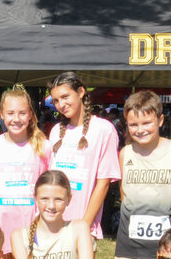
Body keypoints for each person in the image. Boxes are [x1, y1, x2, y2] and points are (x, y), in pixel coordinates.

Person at [112, 91, 171, 259]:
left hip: (167, 244)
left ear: (160, 120)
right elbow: (124, 194)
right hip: (130, 244)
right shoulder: (125, 154)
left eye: (147, 123)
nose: (140, 129)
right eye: (134, 124)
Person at [48, 71, 121, 240]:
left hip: (83, 226)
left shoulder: (104, 129)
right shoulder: (55, 131)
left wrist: (84, 225)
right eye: (56, 101)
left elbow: (103, 184)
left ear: (81, 92)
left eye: (65, 96)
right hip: (52, 224)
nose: (61, 104)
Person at [0, 85, 52, 259]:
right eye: (10, 113)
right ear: (1, 114)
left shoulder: (43, 146)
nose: (16, 119)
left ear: (30, 114)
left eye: (22, 113)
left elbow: (49, 187)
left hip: (31, 223)